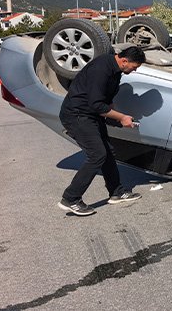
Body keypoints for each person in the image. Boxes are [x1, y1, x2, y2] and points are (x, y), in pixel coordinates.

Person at [57, 46, 146, 216]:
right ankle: (71, 198)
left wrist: (116, 118)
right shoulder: (101, 68)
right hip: (76, 115)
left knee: (108, 152)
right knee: (97, 154)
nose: (135, 70)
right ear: (124, 61)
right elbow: (96, 104)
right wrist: (121, 117)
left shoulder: (116, 71)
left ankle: (116, 191)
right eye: (134, 67)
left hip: (91, 115)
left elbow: (106, 100)